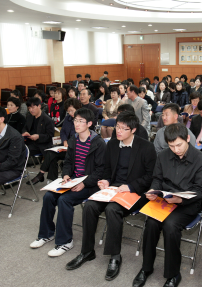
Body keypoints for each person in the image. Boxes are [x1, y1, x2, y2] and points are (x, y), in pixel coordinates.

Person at [66, 112, 157, 280]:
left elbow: (150, 177)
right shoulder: (113, 145)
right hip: (113, 189)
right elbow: (107, 170)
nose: (119, 131)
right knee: (90, 206)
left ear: (133, 130)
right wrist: (106, 181)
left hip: (134, 191)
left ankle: (115, 256)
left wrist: (129, 186)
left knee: (112, 210)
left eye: (124, 128)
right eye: (117, 127)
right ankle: (87, 251)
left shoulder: (146, 147)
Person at [133, 123, 202, 287]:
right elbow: (157, 178)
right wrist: (154, 190)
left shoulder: (201, 160)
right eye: (172, 146)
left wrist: (181, 199)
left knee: (170, 225)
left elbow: (201, 191)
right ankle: (146, 268)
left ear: (188, 139)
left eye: (179, 145)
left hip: (187, 204)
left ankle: (173, 273)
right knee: (152, 222)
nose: (176, 149)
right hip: (165, 199)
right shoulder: (163, 156)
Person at [30, 107, 106, 257]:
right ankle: (46, 234)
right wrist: (65, 175)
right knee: (48, 197)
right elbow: (69, 162)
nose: (76, 124)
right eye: (75, 120)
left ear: (89, 123)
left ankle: (65, 242)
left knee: (65, 200)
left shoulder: (98, 143)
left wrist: (84, 183)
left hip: (89, 184)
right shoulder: (74, 139)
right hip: (72, 181)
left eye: (80, 121)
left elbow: (101, 171)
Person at [28, 98, 82, 184]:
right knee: (51, 152)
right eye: (68, 111)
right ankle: (53, 180)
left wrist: (69, 143)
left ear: (78, 108)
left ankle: (42, 174)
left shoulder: (82, 119)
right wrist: (64, 140)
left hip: (76, 147)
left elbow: (79, 135)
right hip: (65, 145)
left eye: (72, 111)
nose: (70, 113)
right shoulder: (68, 118)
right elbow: (63, 131)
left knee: (51, 154)